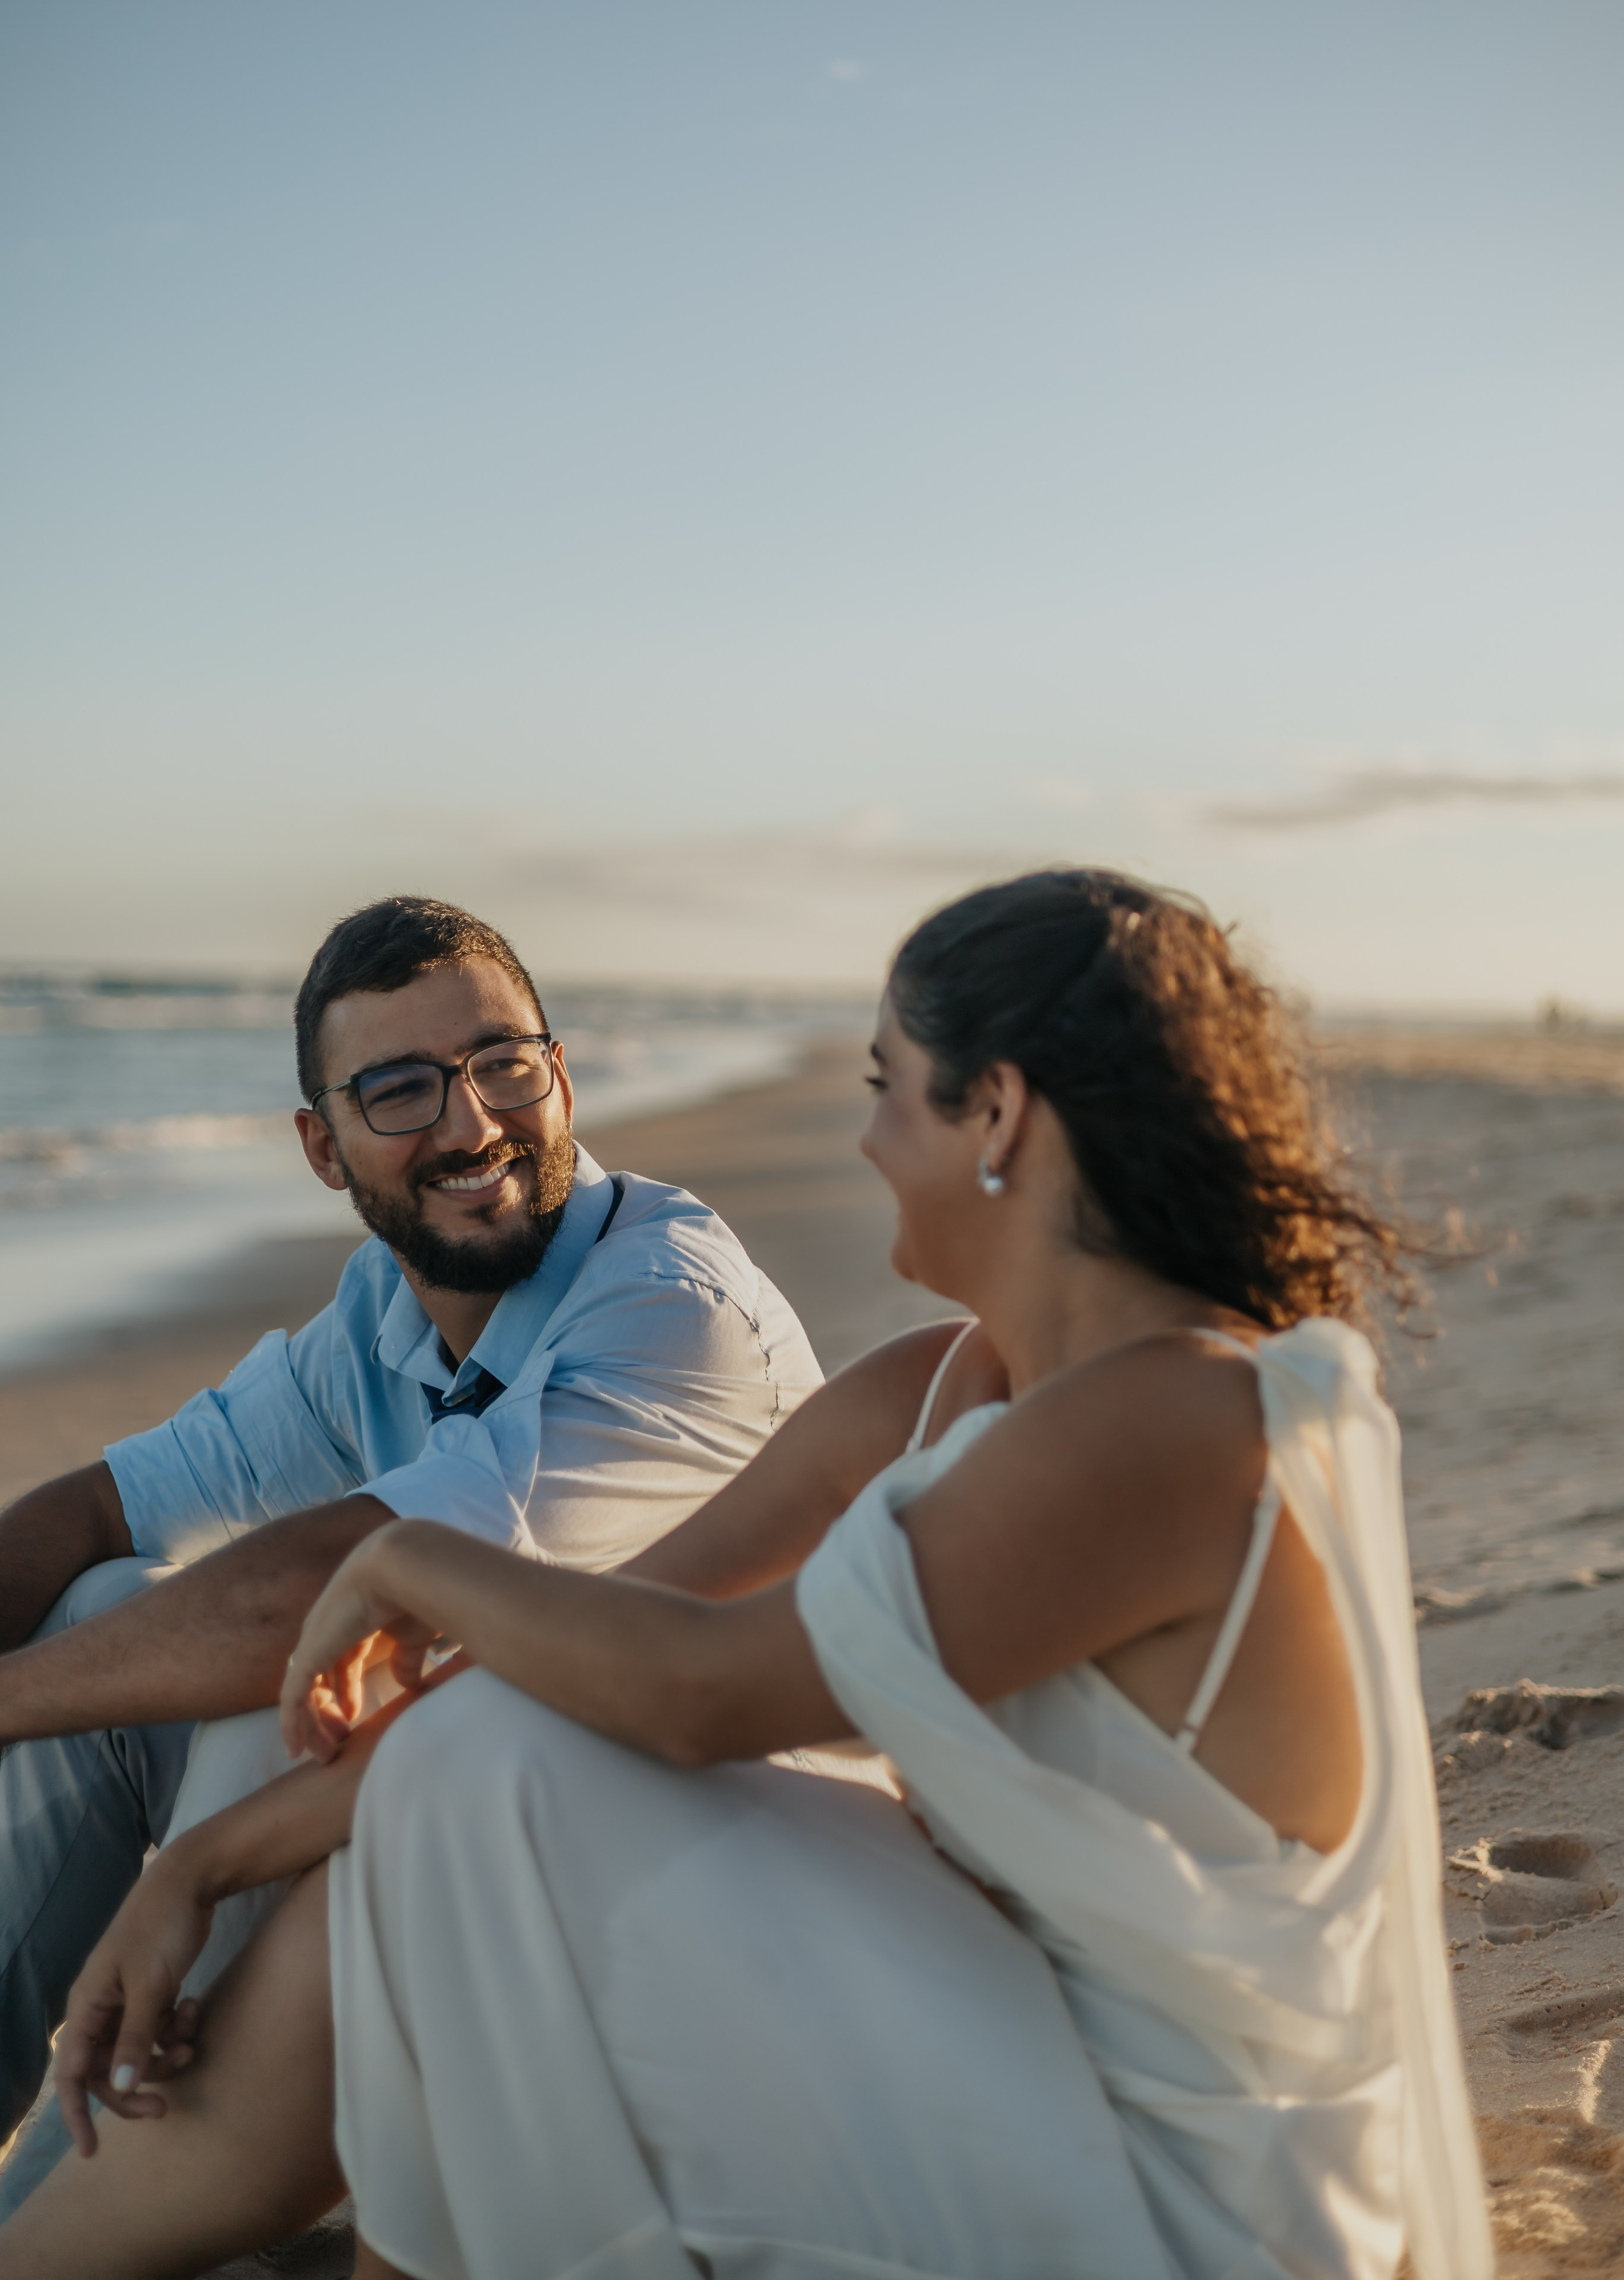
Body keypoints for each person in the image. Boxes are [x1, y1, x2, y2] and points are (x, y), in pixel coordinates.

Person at [1, 870, 1491, 2280]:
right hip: (998, 2017)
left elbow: (694, 1694)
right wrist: (203, 1864)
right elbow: (614, 1632)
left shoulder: (1159, 1421)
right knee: (448, 1756)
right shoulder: (940, 1383)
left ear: (998, 1116)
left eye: (881, 1087)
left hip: (1175, 2171)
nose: (860, 1142)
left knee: (475, 1774)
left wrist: (403, 1564)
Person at [0, 893, 820, 2206]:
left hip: (692, 1895)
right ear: (324, 1150)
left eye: (502, 1065)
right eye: (400, 1090)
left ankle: (96, 2210)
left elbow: (339, 1590)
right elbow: (104, 1505)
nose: (471, 1122)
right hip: (472, 1819)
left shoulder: (673, 1312)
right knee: (104, 1602)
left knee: (291, 1703)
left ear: (558, 1073)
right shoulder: (382, 1310)